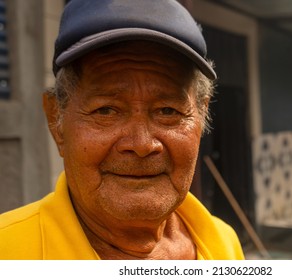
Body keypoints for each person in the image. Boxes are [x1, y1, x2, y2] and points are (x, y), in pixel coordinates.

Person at [0, 0, 244, 260]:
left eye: (168, 111)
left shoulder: (224, 243)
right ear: (55, 121)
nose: (141, 144)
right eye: (106, 110)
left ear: (202, 114)